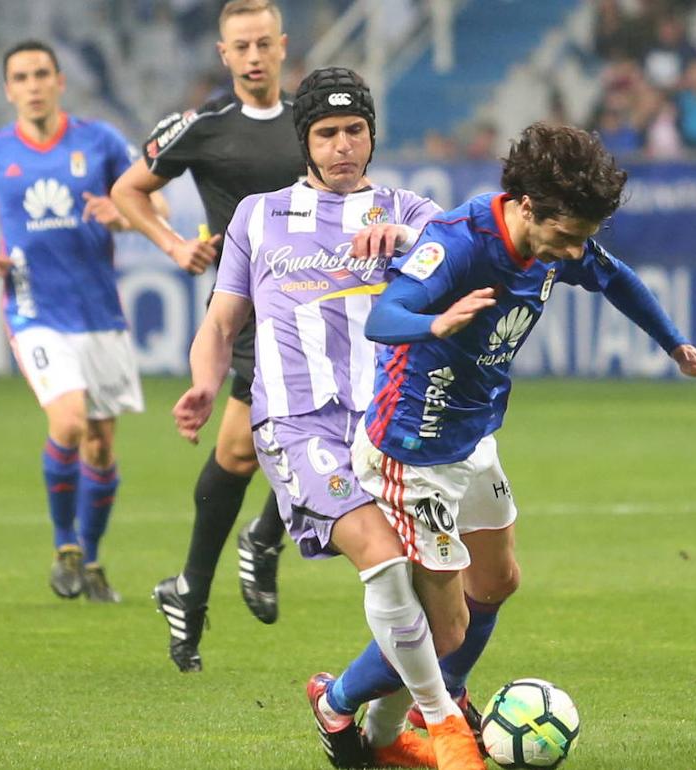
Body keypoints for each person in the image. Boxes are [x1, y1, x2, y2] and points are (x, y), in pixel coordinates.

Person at [313, 122, 696, 750]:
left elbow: (615, 276)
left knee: (497, 581)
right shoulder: (460, 243)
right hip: (414, 448)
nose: (574, 252)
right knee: (442, 629)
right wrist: (436, 321)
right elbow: (384, 317)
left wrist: (676, 345)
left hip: (474, 436)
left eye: (582, 238)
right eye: (567, 237)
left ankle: (437, 702)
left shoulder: (556, 241)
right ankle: (334, 704)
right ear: (526, 206)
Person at [173, 66, 485, 770]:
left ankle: (360, 728)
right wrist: (202, 383)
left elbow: (465, 272)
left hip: (393, 429)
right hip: (296, 424)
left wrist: (408, 247)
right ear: (305, 141)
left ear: (372, 136)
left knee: (448, 618)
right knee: (382, 559)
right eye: (326, 133)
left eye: (354, 131)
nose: (342, 145)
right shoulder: (258, 214)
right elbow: (222, 322)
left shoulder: (411, 210)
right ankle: (446, 727)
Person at [111, 0, 306, 670]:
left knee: (247, 452)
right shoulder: (201, 126)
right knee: (301, 438)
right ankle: (247, 550)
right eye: (240, 48)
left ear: (282, 46)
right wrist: (171, 243)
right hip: (255, 309)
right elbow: (128, 190)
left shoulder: (316, 119)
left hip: (322, 305)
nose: (253, 57)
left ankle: (199, 582)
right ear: (223, 55)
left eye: (263, 44)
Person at [0, 40, 163, 603]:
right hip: (33, 310)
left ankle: (91, 561)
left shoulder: (100, 141)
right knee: (68, 421)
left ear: (60, 80)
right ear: (8, 89)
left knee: (100, 445)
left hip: (98, 313)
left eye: (42, 73)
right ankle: (64, 545)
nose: (33, 84)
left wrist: (122, 216)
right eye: (21, 76)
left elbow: (154, 206)